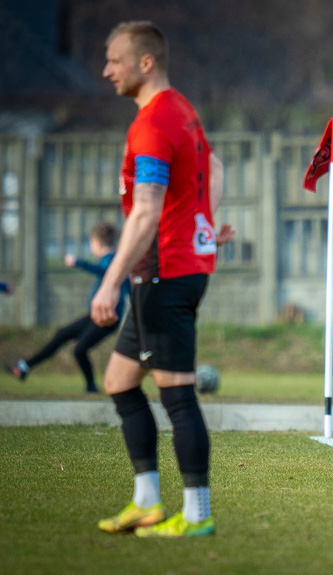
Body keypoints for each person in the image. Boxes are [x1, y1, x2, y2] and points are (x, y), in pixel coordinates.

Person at [94, 20, 234, 538]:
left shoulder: (152, 123)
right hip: (173, 269)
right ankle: (148, 502)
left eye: (114, 60)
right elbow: (214, 171)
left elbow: (147, 211)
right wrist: (204, 225)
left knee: (177, 394)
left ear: (144, 63)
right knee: (118, 381)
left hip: (163, 275)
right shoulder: (182, 111)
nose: (106, 70)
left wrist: (109, 282)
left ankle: (197, 515)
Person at [5, 223, 130, 393]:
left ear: (98, 244)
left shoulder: (111, 261)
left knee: (79, 349)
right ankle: (24, 366)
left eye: (91, 244)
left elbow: (104, 271)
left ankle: (91, 387)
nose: (92, 247)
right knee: (62, 334)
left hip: (108, 318)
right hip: (95, 316)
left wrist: (78, 262)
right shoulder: (112, 261)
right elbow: (127, 286)